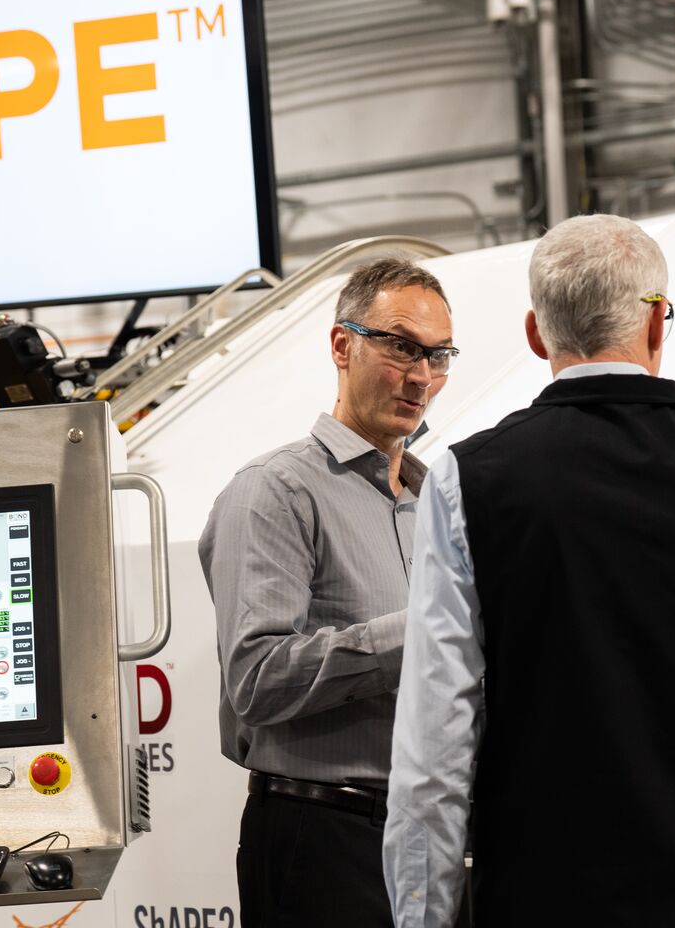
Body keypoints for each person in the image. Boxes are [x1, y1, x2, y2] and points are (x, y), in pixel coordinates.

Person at [383, 214, 675, 927]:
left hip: (549, 897)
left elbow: (434, 747)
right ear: (656, 325)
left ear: (536, 334)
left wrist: (421, 917)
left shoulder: (471, 479)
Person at [200, 258, 458, 927]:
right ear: (343, 345)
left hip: (431, 838)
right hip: (323, 836)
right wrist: (427, 630)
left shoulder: (435, 501)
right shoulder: (276, 492)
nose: (421, 375)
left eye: (437, 355)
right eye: (401, 346)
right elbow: (255, 679)